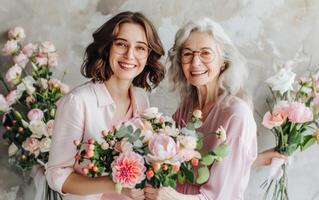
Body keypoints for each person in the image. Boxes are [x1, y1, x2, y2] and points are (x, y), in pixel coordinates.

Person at [45, 11, 165, 200]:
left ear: (149, 55)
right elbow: (57, 176)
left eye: (140, 48)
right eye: (121, 44)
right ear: (107, 47)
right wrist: (115, 184)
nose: (130, 55)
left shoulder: (142, 99)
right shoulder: (78, 102)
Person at [145, 18, 261, 200]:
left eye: (205, 53)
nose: (195, 62)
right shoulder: (187, 108)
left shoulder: (236, 115)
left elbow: (223, 195)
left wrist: (172, 198)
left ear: (223, 61)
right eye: (188, 54)